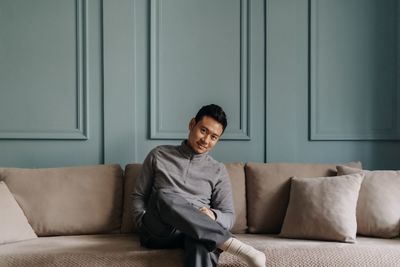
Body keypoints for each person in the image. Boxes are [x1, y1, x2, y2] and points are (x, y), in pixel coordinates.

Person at [132, 104, 266, 267]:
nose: (206, 140)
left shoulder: (218, 170)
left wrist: (214, 215)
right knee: (163, 195)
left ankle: (213, 236)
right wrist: (141, 220)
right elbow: (139, 196)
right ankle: (243, 250)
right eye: (203, 130)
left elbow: (229, 215)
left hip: (196, 232)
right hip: (160, 230)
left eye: (213, 137)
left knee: (202, 243)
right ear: (192, 124)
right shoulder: (159, 154)